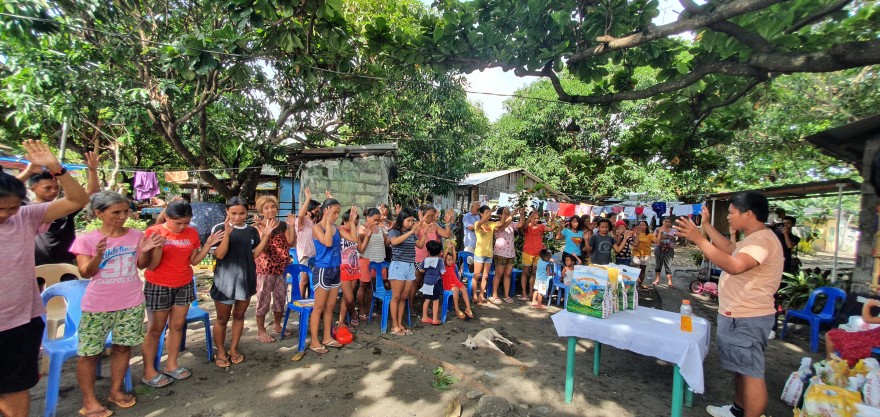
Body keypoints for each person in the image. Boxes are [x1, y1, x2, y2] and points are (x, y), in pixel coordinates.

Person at [0, 140, 88, 417]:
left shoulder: (24, 217)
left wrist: (55, 168)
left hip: (18, 321)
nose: (7, 214)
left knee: (15, 387)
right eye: (1, 208)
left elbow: (78, 199)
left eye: (12, 207)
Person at [675, 191, 783, 417]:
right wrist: (706, 226)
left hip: (748, 316)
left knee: (751, 373)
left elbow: (734, 265)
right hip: (737, 313)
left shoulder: (762, 240)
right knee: (740, 369)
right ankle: (738, 410)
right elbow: (728, 248)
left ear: (749, 213)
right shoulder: (753, 238)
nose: (728, 217)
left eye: (732, 213)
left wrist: (699, 239)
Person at [70, 191, 165, 416]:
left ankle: (115, 391)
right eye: (116, 212)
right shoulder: (86, 239)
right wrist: (97, 256)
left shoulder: (135, 235)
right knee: (89, 353)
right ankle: (89, 400)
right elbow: (86, 273)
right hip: (97, 305)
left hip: (131, 302)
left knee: (123, 347)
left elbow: (142, 266)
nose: (123, 216)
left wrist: (147, 250)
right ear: (99, 213)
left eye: (125, 211)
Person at [141, 200, 223, 388]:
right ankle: (149, 371)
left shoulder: (191, 233)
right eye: (178, 223)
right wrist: (159, 249)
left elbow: (194, 261)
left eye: (186, 222)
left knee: (177, 326)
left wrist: (208, 244)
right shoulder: (154, 232)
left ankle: (171, 364)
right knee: (155, 329)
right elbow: (151, 266)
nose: (182, 227)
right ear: (167, 217)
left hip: (184, 283)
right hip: (158, 285)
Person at [210, 197, 275, 367]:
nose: (238, 217)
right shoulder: (219, 229)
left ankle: (233, 349)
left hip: (245, 280)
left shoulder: (251, 231)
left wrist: (266, 236)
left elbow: (254, 254)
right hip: (224, 282)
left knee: (239, 316)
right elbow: (220, 255)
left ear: (247, 212)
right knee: (222, 319)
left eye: (242, 213)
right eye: (234, 213)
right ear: (227, 212)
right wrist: (227, 235)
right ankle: (221, 351)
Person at [17, 151, 100, 267]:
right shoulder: (25, 210)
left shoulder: (65, 207)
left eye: (56, 187)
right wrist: (28, 172)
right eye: (48, 188)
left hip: (67, 263)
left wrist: (92, 170)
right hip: (35, 264)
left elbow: (90, 193)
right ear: (32, 188)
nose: (53, 191)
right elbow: (5, 191)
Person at [308, 199, 359, 353]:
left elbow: (354, 239)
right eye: (334, 212)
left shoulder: (337, 227)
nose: (336, 215)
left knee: (330, 307)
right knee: (319, 307)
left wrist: (351, 223)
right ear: (326, 211)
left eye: (337, 213)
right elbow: (328, 243)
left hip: (336, 270)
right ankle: (314, 341)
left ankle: (327, 337)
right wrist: (329, 223)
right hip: (323, 270)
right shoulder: (317, 228)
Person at [253, 196, 296, 343]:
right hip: (265, 268)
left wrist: (292, 226)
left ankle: (277, 325)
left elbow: (291, 242)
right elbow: (263, 248)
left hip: (282, 268)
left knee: (280, 297)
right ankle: (260, 330)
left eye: (273, 206)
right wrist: (265, 231)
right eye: (266, 208)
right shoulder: (257, 226)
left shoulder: (282, 225)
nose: (270, 210)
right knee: (263, 299)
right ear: (261, 210)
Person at [387, 207, 425, 336]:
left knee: (404, 297)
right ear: (401, 219)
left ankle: (400, 323)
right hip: (398, 266)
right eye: (408, 220)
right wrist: (411, 232)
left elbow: (420, 245)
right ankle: (394, 325)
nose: (410, 223)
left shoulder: (411, 233)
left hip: (410, 266)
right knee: (396, 297)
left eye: (412, 221)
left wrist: (423, 231)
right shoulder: (394, 231)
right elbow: (394, 242)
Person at [413, 206, 454, 314]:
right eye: (428, 216)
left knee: (429, 283)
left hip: (432, 260)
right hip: (419, 259)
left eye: (432, 215)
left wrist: (447, 223)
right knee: (416, 282)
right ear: (422, 214)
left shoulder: (435, 226)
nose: (430, 218)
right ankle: (411, 306)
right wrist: (421, 222)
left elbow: (446, 234)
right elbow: (414, 234)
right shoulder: (417, 225)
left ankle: (425, 306)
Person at [825, 297, 880, 366]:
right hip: (871, 335)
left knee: (831, 335)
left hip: (873, 339)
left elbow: (867, 319)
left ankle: (830, 361)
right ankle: (829, 362)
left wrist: (867, 305)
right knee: (831, 335)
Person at [357, 208, 388, 321]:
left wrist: (391, 230)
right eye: (375, 220)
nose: (377, 222)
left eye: (378, 220)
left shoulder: (379, 228)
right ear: (368, 218)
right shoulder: (361, 228)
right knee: (363, 285)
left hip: (378, 260)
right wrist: (367, 234)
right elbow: (360, 242)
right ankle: (361, 309)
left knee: (372, 286)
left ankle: (370, 308)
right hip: (366, 260)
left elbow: (386, 242)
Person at [295, 187, 321, 299]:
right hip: (305, 256)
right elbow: (301, 215)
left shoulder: (313, 224)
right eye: (316, 211)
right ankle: (301, 305)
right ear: (309, 212)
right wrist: (308, 198)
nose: (318, 213)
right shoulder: (302, 222)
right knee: (304, 280)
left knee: (313, 282)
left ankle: (311, 305)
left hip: (314, 256)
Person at [338, 208, 362, 328]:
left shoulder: (355, 232)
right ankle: (352, 315)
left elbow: (360, 249)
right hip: (342, 267)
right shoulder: (338, 230)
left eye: (356, 223)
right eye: (351, 222)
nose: (353, 225)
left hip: (354, 266)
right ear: (344, 220)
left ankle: (344, 320)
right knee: (349, 297)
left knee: (348, 298)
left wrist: (366, 237)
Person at [519, 209, 550, 301]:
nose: (536, 220)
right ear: (530, 218)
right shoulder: (527, 226)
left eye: (537, 218)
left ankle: (531, 292)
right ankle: (524, 292)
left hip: (538, 254)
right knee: (525, 272)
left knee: (534, 273)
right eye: (534, 218)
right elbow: (523, 226)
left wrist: (552, 220)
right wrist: (530, 214)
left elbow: (551, 229)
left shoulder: (541, 226)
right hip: (527, 253)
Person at [491, 207, 520, 304]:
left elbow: (521, 224)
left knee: (507, 275)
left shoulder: (511, 223)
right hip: (500, 253)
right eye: (505, 213)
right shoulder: (496, 224)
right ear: (500, 215)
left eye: (508, 213)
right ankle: (494, 295)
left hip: (510, 253)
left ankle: (507, 295)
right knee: (498, 274)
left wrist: (522, 214)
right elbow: (503, 225)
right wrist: (512, 214)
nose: (507, 215)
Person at [472, 205, 499, 304]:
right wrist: (491, 211)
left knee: (485, 276)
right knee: (476, 275)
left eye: (490, 213)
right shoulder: (477, 224)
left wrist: (506, 215)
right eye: (486, 212)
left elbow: (503, 223)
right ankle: (474, 295)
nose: (489, 214)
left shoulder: (491, 224)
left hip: (489, 254)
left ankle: (481, 295)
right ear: (481, 214)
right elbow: (481, 221)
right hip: (479, 253)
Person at [441, 247, 473, 319]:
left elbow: (454, 256)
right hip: (448, 284)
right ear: (445, 260)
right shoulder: (443, 266)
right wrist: (447, 248)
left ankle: (468, 308)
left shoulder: (452, 265)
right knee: (456, 289)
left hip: (456, 281)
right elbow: (443, 257)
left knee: (464, 289)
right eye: (449, 260)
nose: (451, 261)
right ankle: (456, 309)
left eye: (452, 260)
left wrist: (453, 248)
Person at [418, 240, 445, 325]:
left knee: (426, 300)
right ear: (440, 252)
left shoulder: (425, 259)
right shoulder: (440, 260)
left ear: (428, 251)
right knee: (435, 301)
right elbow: (443, 271)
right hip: (436, 282)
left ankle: (424, 317)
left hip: (426, 282)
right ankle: (434, 319)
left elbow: (421, 270)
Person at [631, 220, 656, 289]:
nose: (642, 226)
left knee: (642, 270)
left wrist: (660, 233)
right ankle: (632, 285)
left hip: (645, 255)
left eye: (643, 225)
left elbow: (656, 241)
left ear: (646, 226)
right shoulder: (635, 233)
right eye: (640, 225)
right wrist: (634, 234)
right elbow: (632, 241)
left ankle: (639, 285)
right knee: (634, 270)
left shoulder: (649, 235)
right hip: (636, 253)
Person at [652, 217, 676, 287]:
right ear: (663, 222)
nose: (667, 223)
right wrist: (663, 237)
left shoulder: (673, 230)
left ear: (671, 223)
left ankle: (670, 281)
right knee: (658, 264)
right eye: (666, 221)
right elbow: (654, 239)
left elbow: (676, 239)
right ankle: (657, 280)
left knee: (668, 265)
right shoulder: (658, 229)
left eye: (669, 222)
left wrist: (672, 237)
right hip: (659, 248)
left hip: (669, 249)